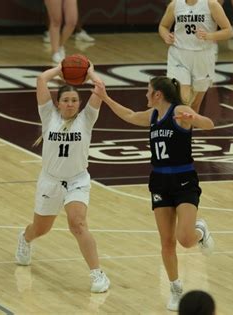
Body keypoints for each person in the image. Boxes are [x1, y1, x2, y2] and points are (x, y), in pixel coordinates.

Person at [92, 76, 215, 311]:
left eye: (148, 92)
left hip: (184, 179)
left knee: (186, 240)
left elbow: (209, 124)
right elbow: (128, 115)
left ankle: (200, 231)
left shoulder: (179, 110)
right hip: (159, 181)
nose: (145, 95)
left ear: (158, 94)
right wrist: (105, 97)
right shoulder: (152, 116)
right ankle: (176, 288)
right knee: (167, 242)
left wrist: (194, 118)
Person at [15, 63, 110, 293]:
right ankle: (25, 238)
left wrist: (89, 73)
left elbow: (100, 87)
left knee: (78, 223)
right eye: (66, 100)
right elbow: (40, 80)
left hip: (77, 180)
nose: (70, 104)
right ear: (58, 103)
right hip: (50, 181)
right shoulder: (48, 115)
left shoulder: (87, 118)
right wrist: (59, 69)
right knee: (40, 229)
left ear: (79, 103)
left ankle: (97, 274)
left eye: (74, 100)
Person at [159, 0, 233, 113]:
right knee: (183, 100)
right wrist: (166, 36)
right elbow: (163, 26)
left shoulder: (211, 4)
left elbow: (228, 31)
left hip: (203, 57)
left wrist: (209, 35)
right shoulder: (175, 4)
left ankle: (187, 130)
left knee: (195, 105)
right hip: (179, 55)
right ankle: (176, 128)